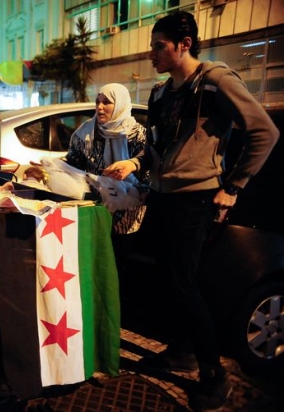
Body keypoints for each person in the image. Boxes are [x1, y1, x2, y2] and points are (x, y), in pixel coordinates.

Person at [103, 11, 279, 412]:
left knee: (182, 283)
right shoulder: (162, 93)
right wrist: (135, 164)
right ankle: (180, 350)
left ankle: (213, 376)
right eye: (152, 45)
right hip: (163, 197)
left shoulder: (215, 81)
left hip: (195, 199)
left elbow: (265, 132)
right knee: (167, 279)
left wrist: (233, 187)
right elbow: (156, 148)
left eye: (159, 46)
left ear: (185, 44)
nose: (152, 53)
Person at [65, 83, 149, 241]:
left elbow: (149, 172)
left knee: (120, 256)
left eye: (106, 102)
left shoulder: (138, 135)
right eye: (97, 102)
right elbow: (73, 164)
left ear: (120, 105)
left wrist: (128, 175)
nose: (100, 107)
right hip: (93, 208)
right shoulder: (85, 133)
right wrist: (53, 168)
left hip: (128, 212)